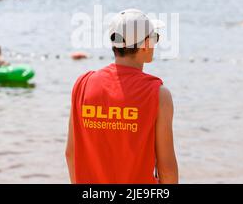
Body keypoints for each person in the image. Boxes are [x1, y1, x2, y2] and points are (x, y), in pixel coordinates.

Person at [66, 9, 178, 184]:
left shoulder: (83, 84)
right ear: (146, 44)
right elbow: (167, 168)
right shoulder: (158, 94)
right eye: (155, 37)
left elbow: (71, 154)